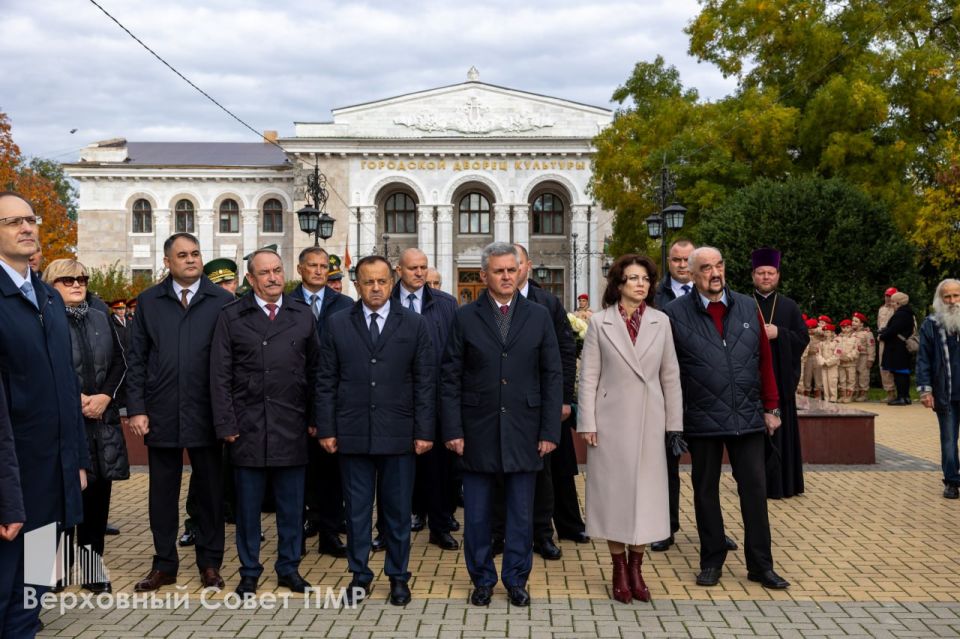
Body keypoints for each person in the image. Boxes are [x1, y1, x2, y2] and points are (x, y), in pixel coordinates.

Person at [441, 242, 562, 608]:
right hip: (477, 429)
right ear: (484, 275)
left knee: (521, 515)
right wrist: (452, 429)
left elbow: (552, 375)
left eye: (512, 269)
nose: (507, 276)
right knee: (477, 515)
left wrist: (549, 431)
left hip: (525, 429)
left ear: (520, 271)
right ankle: (482, 579)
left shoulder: (538, 315)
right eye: (499, 271)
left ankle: (516, 580)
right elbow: (450, 377)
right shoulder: (464, 316)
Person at [662, 246, 789, 590]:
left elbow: (764, 360)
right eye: (706, 268)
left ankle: (761, 565)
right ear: (692, 275)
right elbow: (668, 371)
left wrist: (771, 407)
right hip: (701, 416)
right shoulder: (674, 314)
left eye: (719, 265)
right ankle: (712, 560)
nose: (715, 273)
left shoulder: (747, 306)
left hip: (747, 415)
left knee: (754, 491)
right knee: (705, 491)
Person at [316, 255, 437, 606]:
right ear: (357, 285)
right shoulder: (337, 323)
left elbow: (425, 383)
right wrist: (326, 428)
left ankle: (398, 577)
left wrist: (424, 431)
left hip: (399, 434)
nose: (375, 288)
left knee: (397, 512)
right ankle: (360, 575)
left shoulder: (414, 323)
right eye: (368, 281)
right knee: (356, 512)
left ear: (392, 282)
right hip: (352, 434)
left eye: (382, 281)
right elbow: (325, 380)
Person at [0, 192, 89, 637]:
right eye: (12, 221)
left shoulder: (50, 299)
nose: (26, 227)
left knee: (34, 586)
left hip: (54, 473)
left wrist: (77, 460)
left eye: (30, 219)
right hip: (14, 477)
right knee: (6, 584)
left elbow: (67, 386)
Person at [126, 232, 234, 592]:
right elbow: (136, 359)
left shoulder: (222, 301)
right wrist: (137, 408)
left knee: (210, 493)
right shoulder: (149, 301)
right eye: (183, 255)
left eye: (196, 253)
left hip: (208, 413)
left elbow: (233, 361)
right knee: (162, 494)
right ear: (167, 262)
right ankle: (164, 564)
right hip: (162, 411)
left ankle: (210, 564)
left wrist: (228, 413)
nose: (191, 260)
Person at [210, 249, 319, 596]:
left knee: (292, 507)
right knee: (247, 509)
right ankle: (249, 571)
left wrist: (316, 419)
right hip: (248, 427)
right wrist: (226, 424)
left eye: (277, 270)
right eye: (264, 272)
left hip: (292, 425)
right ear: (250, 279)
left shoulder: (302, 314)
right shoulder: (231, 316)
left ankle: (289, 568)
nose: (273, 278)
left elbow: (317, 371)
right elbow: (219, 375)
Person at [577, 254, 682, 603]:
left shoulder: (661, 321)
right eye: (634, 278)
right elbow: (588, 376)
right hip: (610, 422)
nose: (641, 284)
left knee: (647, 498)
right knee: (614, 497)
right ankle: (619, 567)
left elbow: (670, 376)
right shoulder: (600, 322)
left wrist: (674, 426)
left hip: (651, 420)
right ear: (619, 284)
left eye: (646, 279)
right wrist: (587, 422)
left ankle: (637, 568)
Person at [43, 259, 127, 594]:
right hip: (58, 424)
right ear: (50, 284)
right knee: (54, 504)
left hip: (100, 424)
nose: (77, 284)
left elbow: (121, 360)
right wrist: (72, 398)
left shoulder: (100, 316)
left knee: (96, 503)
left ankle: (93, 572)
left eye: (82, 278)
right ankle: (49, 574)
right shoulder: (40, 318)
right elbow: (36, 366)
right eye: (67, 279)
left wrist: (105, 396)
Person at [506, 243, 580, 558]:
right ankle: (501, 533)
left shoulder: (547, 303)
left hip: (540, 402)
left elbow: (565, 351)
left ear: (528, 266)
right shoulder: (488, 305)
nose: (510, 271)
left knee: (544, 472)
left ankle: (542, 534)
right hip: (503, 403)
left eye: (516, 264)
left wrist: (563, 399)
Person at [390, 248, 460, 551]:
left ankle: (440, 526)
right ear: (399, 271)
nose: (419, 273)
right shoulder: (385, 301)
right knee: (396, 469)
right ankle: (396, 525)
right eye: (413, 268)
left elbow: (454, 354)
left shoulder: (446, 304)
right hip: (395, 402)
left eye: (423, 267)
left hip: (435, 401)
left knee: (438, 470)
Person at [292, 246, 353, 558]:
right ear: (300, 269)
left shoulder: (345, 305)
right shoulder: (286, 302)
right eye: (312, 265)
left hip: (332, 402)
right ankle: (297, 537)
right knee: (295, 476)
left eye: (323, 266)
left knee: (331, 475)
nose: (319, 271)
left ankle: (330, 535)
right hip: (293, 403)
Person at [751, 248, 809, 499]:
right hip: (751, 383)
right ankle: (754, 484)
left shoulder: (789, 306)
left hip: (780, 382)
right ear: (753, 275)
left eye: (770, 273)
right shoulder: (743, 304)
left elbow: (803, 339)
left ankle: (784, 483)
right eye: (761, 273)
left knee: (782, 436)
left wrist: (779, 334)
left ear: (778, 275)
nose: (766, 277)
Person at [917, 279, 960, 499]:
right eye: (947, 296)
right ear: (940, 299)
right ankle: (952, 482)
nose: (952, 301)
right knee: (949, 441)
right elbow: (923, 359)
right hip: (946, 393)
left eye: (956, 295)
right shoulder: (931, 324)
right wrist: (925, 390)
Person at [879, 291, 916, 406]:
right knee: (903, 373)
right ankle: (906, 397)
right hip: (902, 347)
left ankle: (901, 397)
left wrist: (882, 336)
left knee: (899, 373)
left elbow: (893, 330)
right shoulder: (908, 313)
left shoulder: (901, 314)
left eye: (893, 302)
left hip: (897, 348)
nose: (891, 304)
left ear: (899, 303)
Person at [878, 287, 898, 401]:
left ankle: (900, 393)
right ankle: (890, 393)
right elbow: (879, 325)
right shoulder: (881, 309)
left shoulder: (897, 309)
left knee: (895, 366)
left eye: (890, 296)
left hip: (893, 341)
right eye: (887, 295)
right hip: (883, 340)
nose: (888, 298)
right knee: (883, 366)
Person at [852, 312, 876, 401]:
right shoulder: (851, 333)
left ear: (861, 324)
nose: (853, 323)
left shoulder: (867, 333)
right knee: (854, 375)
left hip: (863, 356)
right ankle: (855, 393)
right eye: (853, 321)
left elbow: (871, 346)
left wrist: (871, 359)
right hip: (854, 357)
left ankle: (863, 394)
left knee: (863, 375)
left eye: (856, 321)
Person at [836, 320, 860, 403]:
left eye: (847, 327)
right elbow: (835, 349)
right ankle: (843, 396)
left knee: (851, 380)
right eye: (843, 327)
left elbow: (856, 350)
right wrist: (840, 357)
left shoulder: (855, 338)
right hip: (841, 362)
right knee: (842, 380)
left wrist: (848, 357)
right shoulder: (837, 338)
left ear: (851, 327)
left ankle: (849, 396)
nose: (845, 329)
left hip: (851, 363)